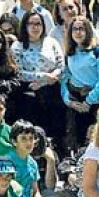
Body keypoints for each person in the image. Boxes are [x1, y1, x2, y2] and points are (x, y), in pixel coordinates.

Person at [11, 8, 65, 143]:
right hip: (30, 93)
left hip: (53, 91)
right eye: (31, 24)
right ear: (25, 25)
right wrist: (44, 76)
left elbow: (61, 66)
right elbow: (19, 73)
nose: (35, 27)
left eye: (38, 24)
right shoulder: (18, 46)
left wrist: (46, 81)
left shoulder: (51, 42)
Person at [6, 120, 61, 197]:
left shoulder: (32, 163)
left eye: (31, 138)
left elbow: (35, 191)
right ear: (14, 141)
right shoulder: (8, 161)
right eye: (23, 139)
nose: (28, 142)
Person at [60, 16, 99, 154]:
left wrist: (89, 102)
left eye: (82, 29)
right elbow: (65, 77)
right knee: (76, 139)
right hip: (75, 99)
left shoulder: (98, 52)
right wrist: (67, 100)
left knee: (95, 137)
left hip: (94, 100)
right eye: (74, 29)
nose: (78, 32)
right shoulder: (69, 53)